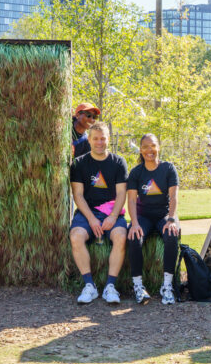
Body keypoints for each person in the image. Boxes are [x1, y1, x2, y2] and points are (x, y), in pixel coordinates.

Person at [69, 121, 129, 304]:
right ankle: (90, 286)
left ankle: (110, 286)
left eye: (103, 138)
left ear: (108, 139)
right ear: (89, 140)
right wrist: (92, 219)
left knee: (120, 236)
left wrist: (112, 217)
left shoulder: (118, 162)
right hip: (88, 213)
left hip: (112, 212)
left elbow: (121, 194)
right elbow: (78, 195)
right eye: (96, 139)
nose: (99, 142)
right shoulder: (79, 164)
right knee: (76, 236)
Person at [125, 134, 181, 304]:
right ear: (141, 150)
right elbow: (132, 200)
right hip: (143, 216)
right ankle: (138, 286)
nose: (150, 150)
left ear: (159, 147)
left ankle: (167, 286)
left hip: (164, 214)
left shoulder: (168, 169)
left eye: (153, 146)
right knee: (134, 236)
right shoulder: (136, 172)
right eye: (145, 147)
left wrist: (171, 219)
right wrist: (134, 224)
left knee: (172, 235)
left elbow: (173, 197)